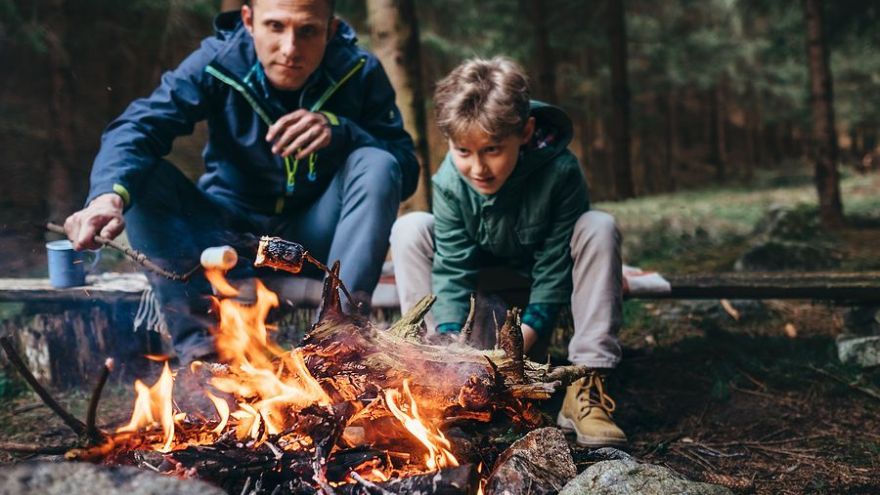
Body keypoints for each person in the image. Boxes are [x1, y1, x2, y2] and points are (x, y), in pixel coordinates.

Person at [63, 0, 418, 365]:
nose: (290, 48)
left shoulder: (358, 70)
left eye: (308, 31)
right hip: (226, 239)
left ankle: (337, 347)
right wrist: (107, 198)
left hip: (313, 246)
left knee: (376, 162)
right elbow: (138, 127)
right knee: (142, 176)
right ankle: (203, 360)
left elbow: (403, 169)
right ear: (249, 21)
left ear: (330, 29)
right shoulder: (219, 62)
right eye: (276, 27)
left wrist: (342, 132)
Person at [389, 57, 626, 447]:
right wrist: (457, 354)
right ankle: (433, 372)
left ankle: (585, 383)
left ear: (526, 131)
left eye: (493, 149)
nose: (478, 168)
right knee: (410, 227)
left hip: (536, 292)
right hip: (479, 296)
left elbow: (554, 267)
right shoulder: (451, 178)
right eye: (463, 150)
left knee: (598, 226)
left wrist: (514, 349)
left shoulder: (561, 171)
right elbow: (451, 266)